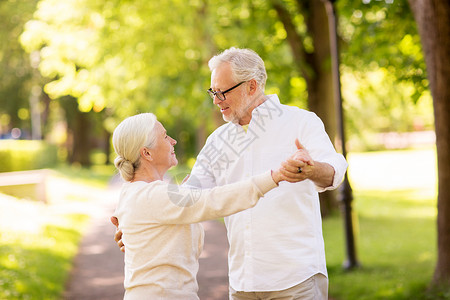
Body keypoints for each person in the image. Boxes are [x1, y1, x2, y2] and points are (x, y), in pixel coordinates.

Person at [113, 47, 348, 299]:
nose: (216, 100)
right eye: (213, 92)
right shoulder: (218, 141)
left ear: (252, 86)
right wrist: (137, 224)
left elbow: (333, 172)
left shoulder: (301, 122)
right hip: (242, 283)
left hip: (295, 278)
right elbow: (191, 198)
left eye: (222, 92)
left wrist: (311, 169)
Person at [110, 112, 307, 299]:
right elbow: (217, 200)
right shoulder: (154, 196)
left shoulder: (134, 193)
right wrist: (276, 176)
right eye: (165, 136)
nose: (173, 141)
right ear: (147, 153)